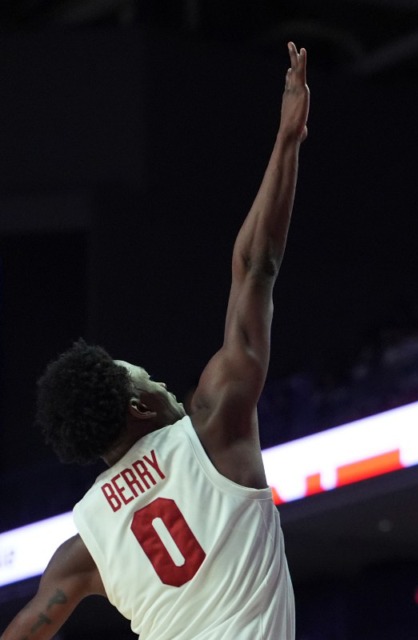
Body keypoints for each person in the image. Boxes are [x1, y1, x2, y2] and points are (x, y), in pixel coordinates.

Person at [1, 41, 310, 640]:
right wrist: (287, 140)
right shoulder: (214, 427)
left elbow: (26, 630)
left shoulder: (84, 542)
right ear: (138, 406)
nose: (163, 382)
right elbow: (255, 266)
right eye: (147, 377)